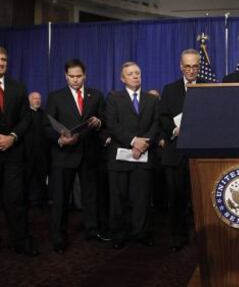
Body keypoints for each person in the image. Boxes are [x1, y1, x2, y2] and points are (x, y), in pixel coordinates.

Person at [44, 59, 105, 254]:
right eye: (72, 77)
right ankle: (59, 237)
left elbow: (104, 119)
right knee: (61, 198)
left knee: (91, 195)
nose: (75, 80)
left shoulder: (95, 95)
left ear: (85, 75)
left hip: (89, 153)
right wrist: (60, 140)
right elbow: (46, 127)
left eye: (79, 76)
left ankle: (92, 230)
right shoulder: (55, 97)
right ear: (65, 76)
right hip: (64, 154)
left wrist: (99, 121)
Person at [105, 61, 159, 249]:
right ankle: (119, 234)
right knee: (118, 199)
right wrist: (133, 141)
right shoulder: (113, 98)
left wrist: (144, 143)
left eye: (137, 72)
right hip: (119, 158)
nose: (135, 76)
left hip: (144, 156)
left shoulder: (151, 99)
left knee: (142, 198)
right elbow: (111, 125)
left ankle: (141, 233)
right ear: (122, 78)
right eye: (130, 73)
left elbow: (156, 125)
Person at [159, 48, 205, 252]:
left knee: (201, 200)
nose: (191, 70)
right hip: (175, 153)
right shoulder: (169, 89)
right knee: (176, 199)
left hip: (201, 155)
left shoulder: (209, 87)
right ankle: (178, 237)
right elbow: (162, 117)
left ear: (199, 66)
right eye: (187, 66)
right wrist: (174, 129)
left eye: (195, 66)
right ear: (180, 66)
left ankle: (203, 237)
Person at [0, 46, 38, 256]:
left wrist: (12, 137)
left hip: (13, 153)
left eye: (4, 59)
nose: (1, 63)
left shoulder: (18, 88)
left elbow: (26, 119)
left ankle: (21, 242)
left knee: (15, 199)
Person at [24, 92, 49, 207]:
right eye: (34, 98)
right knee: (25, 179)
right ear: (29, 100)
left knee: (42, 179)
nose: (37, 100)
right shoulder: (24, 114)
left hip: (42, 154)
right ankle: (24, 201)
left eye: (39, 98)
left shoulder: (44, 114)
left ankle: (42, 202)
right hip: (27, 154)